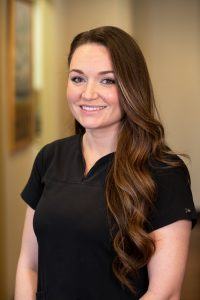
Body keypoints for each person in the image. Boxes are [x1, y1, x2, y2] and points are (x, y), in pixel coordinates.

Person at [15, 26, 197, 300]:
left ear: (131, 86)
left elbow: (165, 293)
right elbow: (29, 265)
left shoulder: (164, 172)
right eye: (77, 79)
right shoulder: (49, 158)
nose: (88, 94)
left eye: (107, 81)